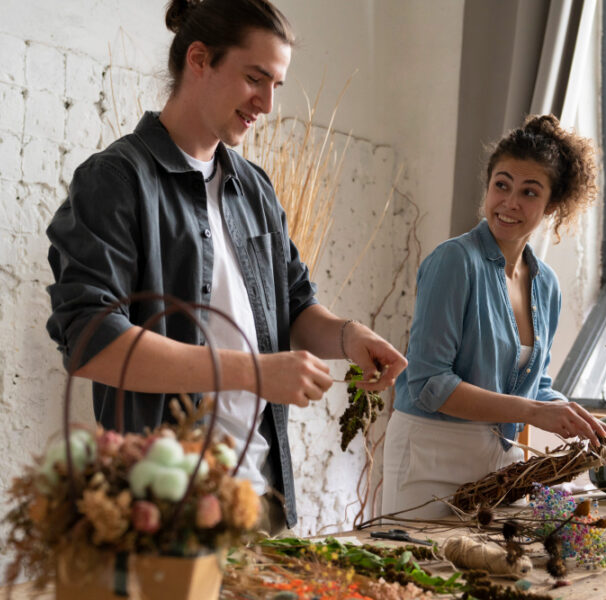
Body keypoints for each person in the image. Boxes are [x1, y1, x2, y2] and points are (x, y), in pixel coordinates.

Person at [45, 0, 407, 534]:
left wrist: (349, 338)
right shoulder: (116, 180)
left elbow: (295, 304)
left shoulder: (254, 187)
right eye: (255, 78)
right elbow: (89, 342)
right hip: (162, 506)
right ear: (200, 58)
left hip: (260, 497)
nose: (265, 102)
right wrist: (256, 371)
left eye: (276, 85)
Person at [381, 114, 606, 520]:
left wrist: (584, 421)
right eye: (502, 184)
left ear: (553, 205)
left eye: (529, 192)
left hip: (497, 462)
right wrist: (531, 412)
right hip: (428, 456)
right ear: (488, 185)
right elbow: (429, 384)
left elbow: (535, 386)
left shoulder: (546, 285)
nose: (510, 202)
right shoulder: (454, 262)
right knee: (422, 578)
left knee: (484, 579)